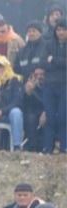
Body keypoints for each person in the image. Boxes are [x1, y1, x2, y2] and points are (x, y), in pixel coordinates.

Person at [42, 17, 66, 154]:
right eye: (58, 29)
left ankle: (64, 146)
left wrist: (54, 60)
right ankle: (48, 146)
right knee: (49, 117)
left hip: (65, 85)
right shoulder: (48, 44)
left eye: (63, 30)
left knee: (64, 116)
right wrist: (60, 63)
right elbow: (44, 63)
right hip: (50, 85)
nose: (61, 32)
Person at [21, 66, 47, 152]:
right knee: (30, 117)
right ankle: (32, 148)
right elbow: (24, 104)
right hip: (32, 113)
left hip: (48, 112)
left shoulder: (49, 87)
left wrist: (45, 112)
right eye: (36, 75)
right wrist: (28, 92)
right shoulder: (30, 86)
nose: (39, 77)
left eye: (42, 74)